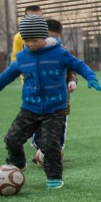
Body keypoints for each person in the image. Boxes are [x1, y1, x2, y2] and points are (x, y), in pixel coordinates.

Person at [0, 13, 101, 190]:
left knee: (49, 145)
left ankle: (54, 178)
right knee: (11, 139)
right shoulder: (22, 57)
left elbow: (78, 65)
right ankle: (18, 163)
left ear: (44, 36)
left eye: (34, 39)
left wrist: (91, 78)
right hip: (29, 108)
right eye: (26, 40)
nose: (30, 44)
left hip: (55, 109)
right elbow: (5, 77)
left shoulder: (59, 53)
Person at [31, 19, 77, 160]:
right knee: (39, 129)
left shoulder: (63, 53)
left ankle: (56, 153)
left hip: (61, 102)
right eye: (49, 37)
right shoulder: (35, 54)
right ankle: (40, 148)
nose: (53, 40)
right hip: (40, 101)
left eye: (56, 38)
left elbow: (72, 71)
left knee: (60, 128)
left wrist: (71, 81)